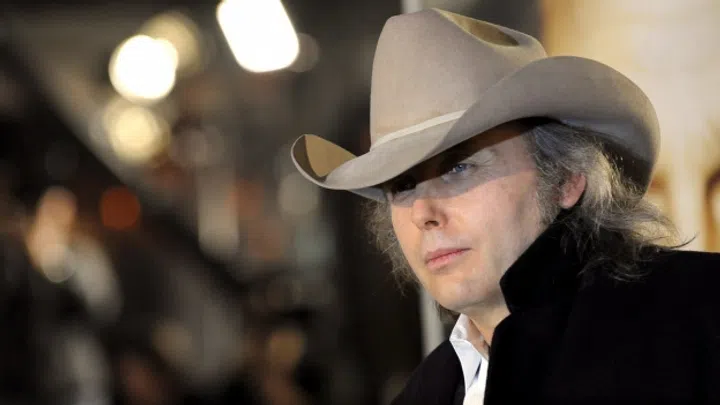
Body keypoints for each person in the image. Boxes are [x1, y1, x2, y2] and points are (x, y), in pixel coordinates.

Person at [290, 8, 720, 404]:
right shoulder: (425, 393)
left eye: (458, 168)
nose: (423, 213)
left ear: (566, 178)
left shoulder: (702, 317)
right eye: (402, 186)